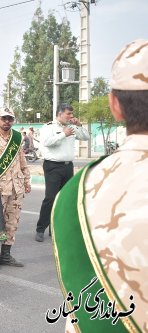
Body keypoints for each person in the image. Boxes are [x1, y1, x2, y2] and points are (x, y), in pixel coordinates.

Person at [52, 39, 148, 333]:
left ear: (114, 105)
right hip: (53, 166)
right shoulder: (49, 131)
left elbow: (81, 314)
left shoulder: (76, 195)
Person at [0, 109, 31, 271]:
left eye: (10, 119)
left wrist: (27, 180)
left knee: (12, 222)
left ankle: (5, 255)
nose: (7, 121)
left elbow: (22, 160)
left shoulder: (17, 138)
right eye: (4, 118)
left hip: (16, 188)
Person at [35, 103, 89, 242]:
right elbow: (46, 142)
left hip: (67, 166)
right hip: (52, 166)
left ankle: (55, 229)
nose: (71, 116)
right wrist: (63, 134)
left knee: (63, 198)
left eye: (72, 114)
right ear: (59, 114)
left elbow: (85, 137)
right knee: (51, 197)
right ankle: (41, 228)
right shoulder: (49, 127)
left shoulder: (72, 127)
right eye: (68, 114)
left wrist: (79, 125)